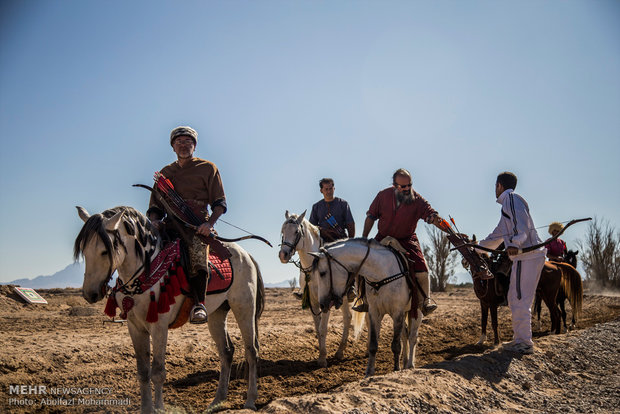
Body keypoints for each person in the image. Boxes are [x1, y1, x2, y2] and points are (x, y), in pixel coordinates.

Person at [147, 126, 227, 324]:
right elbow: (155, 206)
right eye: (179, 142)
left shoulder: (208, 168)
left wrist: (209, 224)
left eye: (187, 141)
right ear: (173, 147)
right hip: (170, 225)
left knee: (198, 254)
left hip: (197, 226)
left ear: (195, 145)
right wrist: (155, 221)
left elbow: (220, 203)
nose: (183, 145)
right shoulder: (165, 173)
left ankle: (199, 304)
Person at [359, 168, 446, 316]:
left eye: (409, 185)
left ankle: (424, 302)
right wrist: (364, 238)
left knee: (423, 270)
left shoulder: (418, 201)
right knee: (362, 262)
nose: (407, 189)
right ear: (394, 185)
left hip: (407, 239)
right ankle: (363, 300)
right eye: (403, 186)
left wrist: (441, 223)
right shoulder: (382, 196)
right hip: (383, 237)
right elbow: (371, 217)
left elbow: (432, 214)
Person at [476, 171, 546, 354]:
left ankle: (524, 343)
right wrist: (478, 248)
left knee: (520, 299)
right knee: (515, 298)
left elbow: (520, 225)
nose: (494, 190)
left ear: (499, 185)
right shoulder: (508, 205)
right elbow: (498, 234)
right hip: (525, 256)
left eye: (495, 186)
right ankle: (520, 339)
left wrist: (515, 242)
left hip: (526, 255)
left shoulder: (511, 200)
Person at [309, 178, 355, 242]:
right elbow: (311, 227)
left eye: (330, 189)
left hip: (340, 241)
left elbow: (350, 224)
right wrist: (322, 231)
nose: (329, 191)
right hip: (322, 243)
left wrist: (350, 242)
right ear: (321, 190)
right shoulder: (316, 207)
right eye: (326, 189)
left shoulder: (343, 204)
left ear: (334, 189)